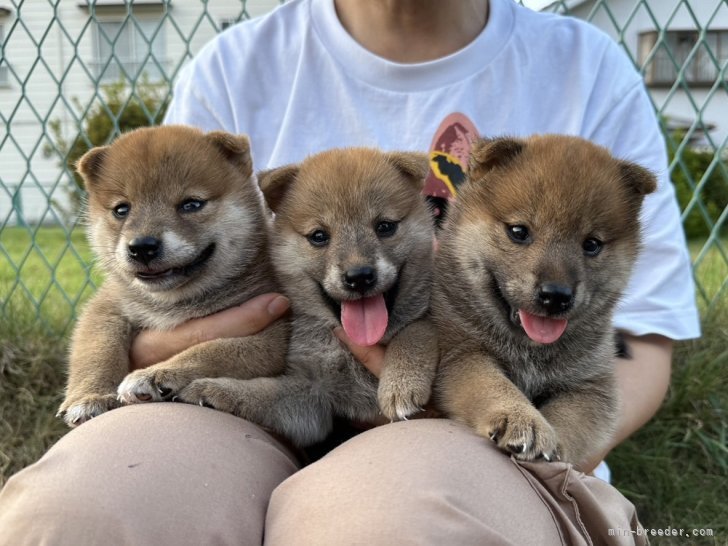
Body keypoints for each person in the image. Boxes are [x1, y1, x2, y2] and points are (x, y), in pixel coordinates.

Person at [0, 0, 700, 544]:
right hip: (259, 399)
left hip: (465, 442)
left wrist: (532, 436)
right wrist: (157, 355)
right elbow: (154, 296)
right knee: (78, 514)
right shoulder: (234, 66)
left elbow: (639, 348)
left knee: (397, 527)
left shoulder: (588, 67)